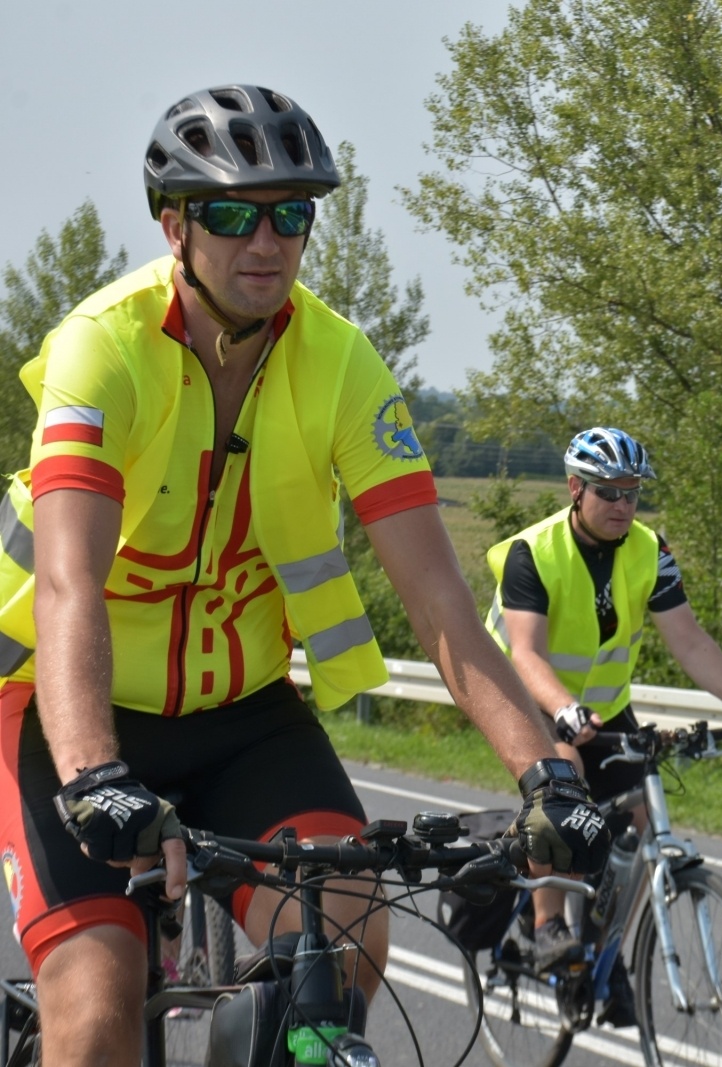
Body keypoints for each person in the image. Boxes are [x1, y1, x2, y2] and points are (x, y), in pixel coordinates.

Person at [0, 85, 609, 1067]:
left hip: (244, 715)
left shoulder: (341, 363)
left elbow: (442, 602)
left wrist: (543, 770)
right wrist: (92, 773)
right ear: (175, 225)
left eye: (292, 213)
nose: (266, 240)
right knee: (100, 1007)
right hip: (70, 719)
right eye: (234, 213)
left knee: (345, 934)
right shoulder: (100, 348)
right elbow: (70, 584)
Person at [484, 425, 722, 1025]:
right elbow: (526, 655)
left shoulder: (651, 550)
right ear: (575, 488)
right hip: (528, 696)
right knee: (561, 783)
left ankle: (600, 949)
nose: (623, 505)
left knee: (639, 815)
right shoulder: (532, 552)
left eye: (632, 493)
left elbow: (690, 640)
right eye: (608, 492)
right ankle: (544, 928)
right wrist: (565, 710)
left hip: (604, 704)